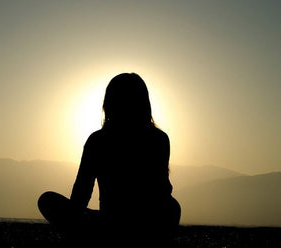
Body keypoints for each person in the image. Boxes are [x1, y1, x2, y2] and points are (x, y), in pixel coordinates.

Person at [38, 73, 181, 247]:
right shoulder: (158, 138)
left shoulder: (98, 140)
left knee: (48, 201)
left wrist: (75, 221)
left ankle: (95, 237)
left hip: (116, 223)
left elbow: (81, 192)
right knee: (172, 207)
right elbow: (162, 189)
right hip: (137, 223)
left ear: (108, 103)